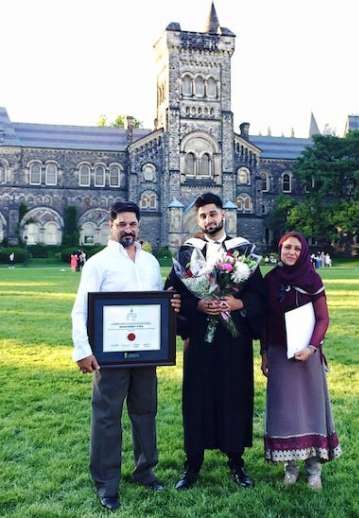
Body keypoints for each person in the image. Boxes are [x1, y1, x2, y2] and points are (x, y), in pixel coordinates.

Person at [71, 201, 181, 511]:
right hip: (110, 356)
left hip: (145, 353)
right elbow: (81, 309)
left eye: (132, 224)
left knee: (145, 411)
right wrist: (83, 350)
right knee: (107, 417)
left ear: (139, 226)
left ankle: (145, 471)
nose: (128, 229)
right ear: (112, 225)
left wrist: (169, 309)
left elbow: (157, 305)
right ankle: (107, 483)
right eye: (122, 224)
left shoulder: (148, 262)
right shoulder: (98, 263)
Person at [166, 192, 265, 490]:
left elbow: (258, 294)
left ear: (223, 215)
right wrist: (197, 307)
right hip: (199, 339)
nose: (209, 219)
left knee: (235, 395)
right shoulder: (187, 252)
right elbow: (174, 292)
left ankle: (236, 461)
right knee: (197, 398)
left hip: (234, 340)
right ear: (198, 220)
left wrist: (238, 304)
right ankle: (192, 464)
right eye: (203, 216)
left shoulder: (243, 250)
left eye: (213, 214)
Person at [261, 231, 341, 491]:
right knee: (285, 411)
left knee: (311, 410)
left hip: (307, 356)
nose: (291, 252)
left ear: (303, 251)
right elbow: (264, 321)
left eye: (296, 248)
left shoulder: (311, 278)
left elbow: (323, 318)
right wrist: (264, 354)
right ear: (280, 248)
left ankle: (313, 469)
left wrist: (311, 347)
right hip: (279, 354)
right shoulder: (271, 279)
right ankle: (291, 467)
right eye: (287, 247)